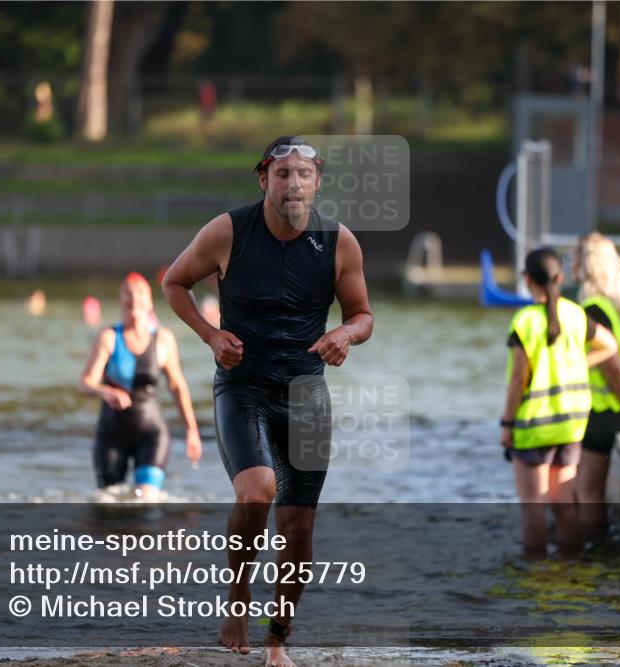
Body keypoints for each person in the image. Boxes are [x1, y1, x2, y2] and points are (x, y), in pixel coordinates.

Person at [162, 136, 373, 667]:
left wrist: (346, 335)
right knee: (257, 492)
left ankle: (278, 639)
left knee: (299, 526)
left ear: (317, 181)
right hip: (243, 387)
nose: (293, 184)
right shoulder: (228, 232)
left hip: (305, 393)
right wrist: (211, 336)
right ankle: (237, 598)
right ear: (263, 179)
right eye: (283, 174)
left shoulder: (339, 241)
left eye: (303, 174)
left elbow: (363, 315)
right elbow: (174, 282)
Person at [500, 248, 620, 557]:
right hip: (572, 423)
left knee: (534, 509)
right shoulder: (575, 314)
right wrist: (578, 363)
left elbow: (518, 380)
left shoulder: (525, 321)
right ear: (560, 278)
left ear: (526, 279)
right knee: (564, 505)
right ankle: (569, 568)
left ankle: (536, 575)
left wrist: (507, 425)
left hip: (534, 425)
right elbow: (610, 346)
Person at [79, 272, 202, 501]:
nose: (133, 298)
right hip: (112, 434)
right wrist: (105, 391)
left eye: (140, 294)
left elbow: (177, 386)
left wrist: (191, 430)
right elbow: (86, 382)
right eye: (127, 293)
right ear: (120, 300)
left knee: (147, 500)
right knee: (109, 504)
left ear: (150, 302)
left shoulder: (164, 340)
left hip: (151, 434)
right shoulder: (108, 337)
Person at [572, 233, 620, 536]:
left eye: (575, 258)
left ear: (587, 264)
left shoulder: (593, 308)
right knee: (590, 488)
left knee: (587, 490)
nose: (571, 264)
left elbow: (613, 366)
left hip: (603, 411)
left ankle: (593, 548)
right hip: (617, 407)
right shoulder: (618, 305)